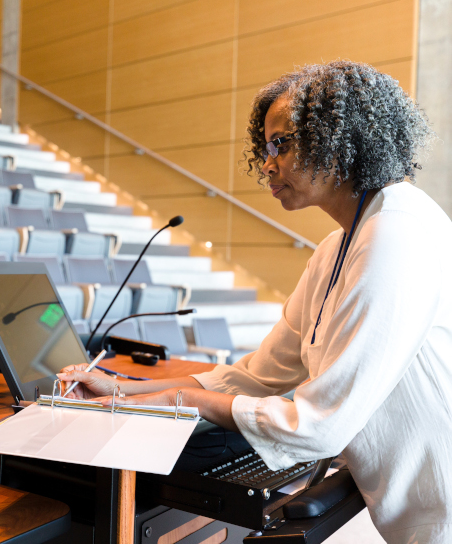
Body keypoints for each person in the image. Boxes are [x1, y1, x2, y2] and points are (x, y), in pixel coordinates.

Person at [57, 60, 452, 544]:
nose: (267, 163)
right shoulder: (340, 245)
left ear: (337, 136)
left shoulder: (396, 233)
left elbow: (319, 426)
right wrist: (121, 390)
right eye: (265, 148)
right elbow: (258, 376)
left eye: (281, 144)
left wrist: (188, 400)